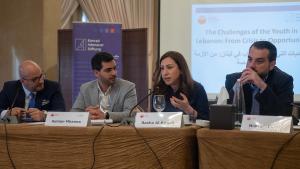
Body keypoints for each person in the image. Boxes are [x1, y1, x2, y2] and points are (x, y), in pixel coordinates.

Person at [225, 41, 294, 116]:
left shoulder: (284, 81)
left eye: (259, 61)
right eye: (250, 59)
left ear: (271, 65)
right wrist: (238, 87)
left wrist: (261, 85)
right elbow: (225, 114)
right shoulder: (232, 80)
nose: (251, 65)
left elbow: (284, 115)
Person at [71, 52, 137, 122]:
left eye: (114, 68)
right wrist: (87, 114)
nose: (114, 73)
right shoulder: (85, 88)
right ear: (96, 73)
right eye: (108, 70)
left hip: (118, 131)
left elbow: (132, 114)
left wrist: (106, 115)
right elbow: (74, 112)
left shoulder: (128, 87)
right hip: (92, 131)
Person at [0, 60, 66, 122]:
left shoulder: (52, 87)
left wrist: (44, 115)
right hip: (16, 130)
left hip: (43, 131)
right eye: (35, 79)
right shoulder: (10, 87)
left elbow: (61, 112)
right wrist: (8, 113)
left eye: (41, 76)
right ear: (22, 81)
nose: (41, 81)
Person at [152, 51, 209, 120]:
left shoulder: (197, 89)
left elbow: (206, 120)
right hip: (164, 130)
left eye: (169, 67)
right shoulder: (159, 90)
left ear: (181, 69)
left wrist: (188, 109)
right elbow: (154, 118)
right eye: (162, 68)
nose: (165, 73)